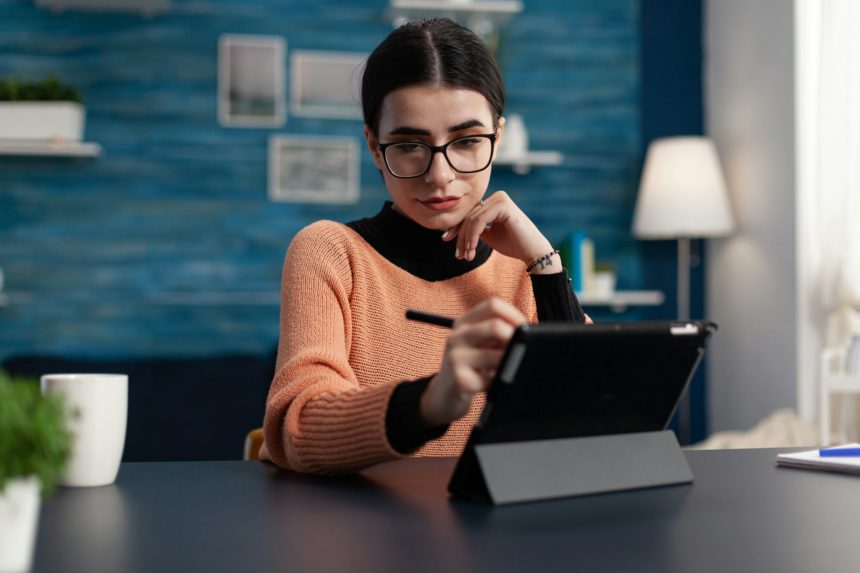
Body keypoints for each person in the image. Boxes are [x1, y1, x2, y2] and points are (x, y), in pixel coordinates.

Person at [260, 17, 589, 475]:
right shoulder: (331, 251)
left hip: (501, 534)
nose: (440, 176)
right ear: (375, 147)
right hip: (361, 533)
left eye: (468, 141)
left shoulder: (525, 270)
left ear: (499, 134)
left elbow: (593, 423)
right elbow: (297, 430)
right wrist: (434, 400)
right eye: (410, 145)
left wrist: (546, 268)